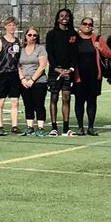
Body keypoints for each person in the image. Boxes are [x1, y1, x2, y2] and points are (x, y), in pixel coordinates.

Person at [71, 17, 109, 136]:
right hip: (79, 75)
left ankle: (91, 127)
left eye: (90, 24)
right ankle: (80, 128)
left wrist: (100, 48)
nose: (87, 26)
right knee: (79, 101)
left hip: (93, 75)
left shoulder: (97, 39)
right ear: (81, 25)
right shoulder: (74, 38)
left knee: (92, 101)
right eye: (85, 23)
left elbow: (109, 54)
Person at [45, 8, 79, 136]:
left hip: (68, 72)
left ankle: (66, 128)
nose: (64, 18)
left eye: (67, 16)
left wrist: (70, 69)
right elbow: (50, 53)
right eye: (62, 15)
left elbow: (75, 54)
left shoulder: (73, 34)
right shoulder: (51, 34)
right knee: (54, 97)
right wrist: (56, 68)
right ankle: (54, 128)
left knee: (66, 98)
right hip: (55, 71)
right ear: (58, 18)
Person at [0, 17, 22, 136]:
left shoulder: (17, 41)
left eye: (14, 25)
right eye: (9, 25)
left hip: (14, 73)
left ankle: (14, 126)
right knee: (1, 102)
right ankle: (0, 126)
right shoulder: (0, 40)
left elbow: (19, 58)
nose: (12, 27)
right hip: (3, 74)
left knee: (15, 101)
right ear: (5, 26)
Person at [17, 27, 49, 137]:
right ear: (25, 36)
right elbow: (18, 66)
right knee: (28, 105)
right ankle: (29, 127)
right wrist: (22, 80)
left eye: (34, 35)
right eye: (30, 35)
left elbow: (42, 66)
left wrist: (32, 80)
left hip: (39, 82)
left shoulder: (40, 49)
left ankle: (40, 127)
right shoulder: (21, 50)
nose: (32, 37)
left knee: (39, 104)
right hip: (24, 82)